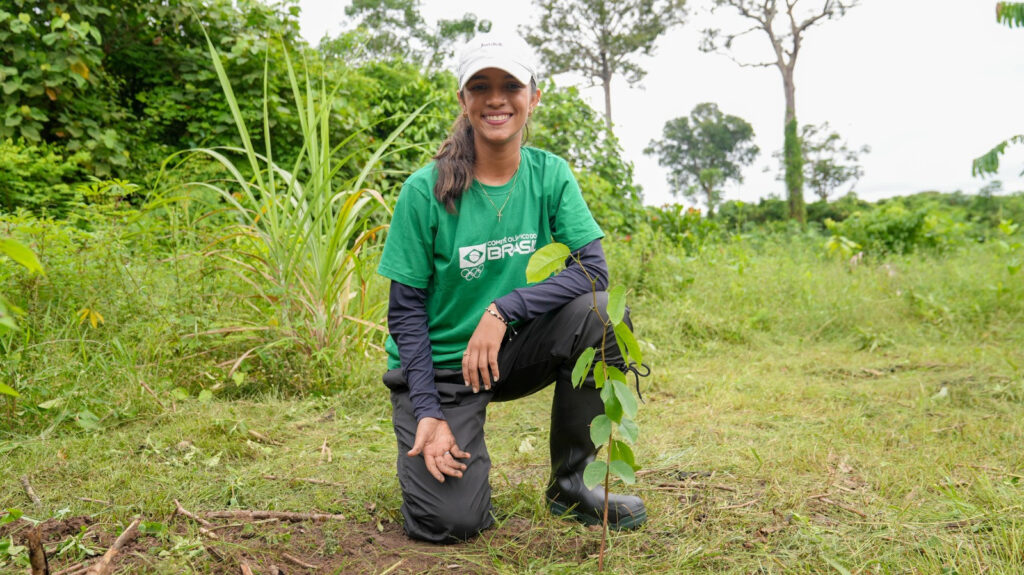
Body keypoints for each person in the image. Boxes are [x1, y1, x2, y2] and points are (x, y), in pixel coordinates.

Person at [377, 31, 647, 543]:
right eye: (480, 85)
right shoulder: (424, 191)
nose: (496, 98)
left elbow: (593, 270)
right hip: (441, 370)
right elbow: (405, 311)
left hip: (511, 349)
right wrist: (429, 411)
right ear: (463, 100)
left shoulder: (550, 175)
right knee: (451, 524)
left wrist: (503, 309)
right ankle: (447, 444)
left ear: (533, 98)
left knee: (600, 312)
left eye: (510, 85)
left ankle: (572, 485)